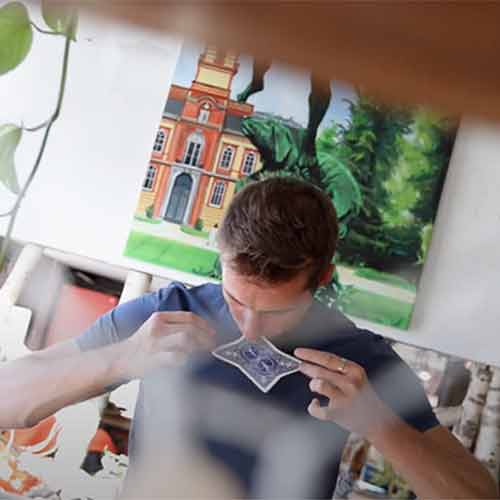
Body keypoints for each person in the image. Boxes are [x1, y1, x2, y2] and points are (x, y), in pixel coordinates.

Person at [0, 178, 496, 498]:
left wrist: (380, 424)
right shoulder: (169, 312)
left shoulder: (360, 360)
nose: (250, 328)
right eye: (236, 301)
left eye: (276, 310)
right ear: (221, 258)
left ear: (322, 279)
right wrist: (121, 359)